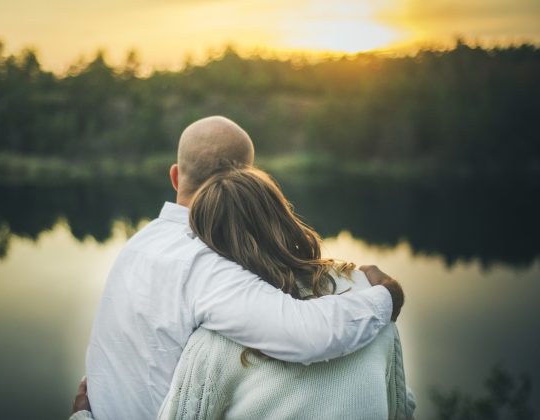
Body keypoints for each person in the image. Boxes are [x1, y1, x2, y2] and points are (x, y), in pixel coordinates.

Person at [83, 116, 404, 420]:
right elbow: (305, 333)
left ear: (175, 176)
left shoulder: (140, 243)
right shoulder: (205, 261)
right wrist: (387, 296)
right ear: (247, 180)